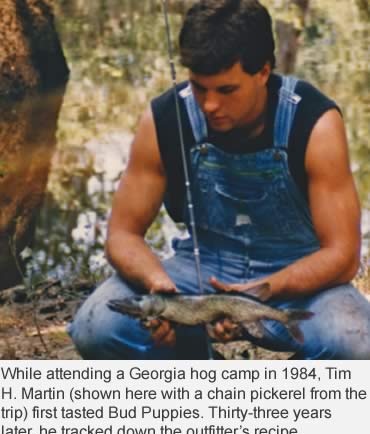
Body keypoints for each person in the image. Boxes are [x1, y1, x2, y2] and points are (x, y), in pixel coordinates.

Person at [68, 0, 370, 359]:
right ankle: (192, 360)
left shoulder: (314, 123)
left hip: (296, 276)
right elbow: (122, 234)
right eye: (199, 87)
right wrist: (160, 289)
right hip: (199, 272)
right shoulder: (165, 119)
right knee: (96, 326)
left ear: (263, 72)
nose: (209, 105)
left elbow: (342, 254)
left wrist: (264, 290)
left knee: (354, 342)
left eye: (226, 90)